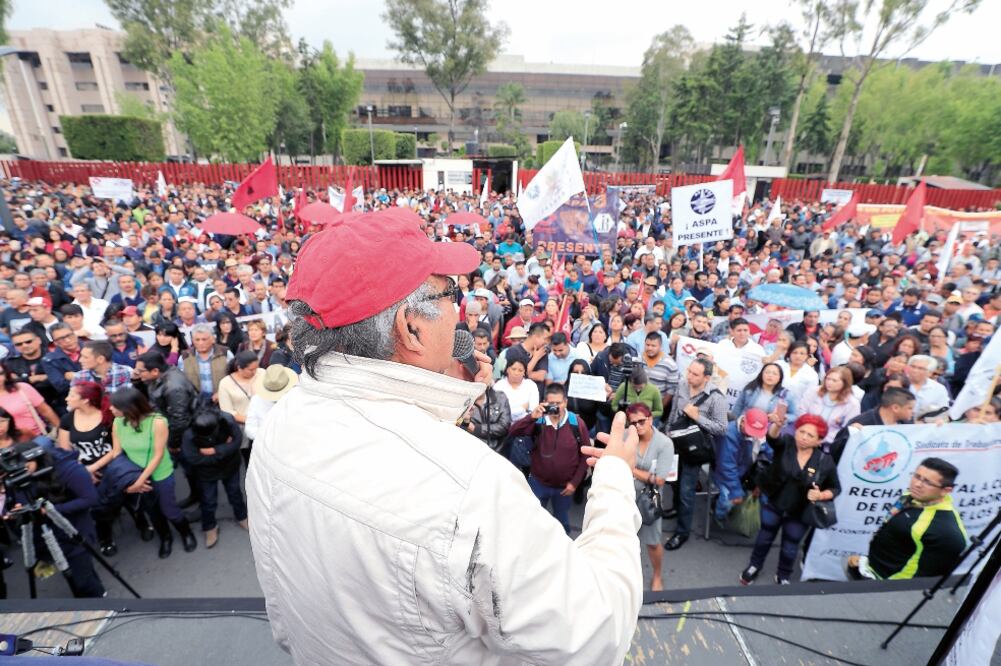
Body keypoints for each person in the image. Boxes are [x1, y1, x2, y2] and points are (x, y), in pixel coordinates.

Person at [246, 208, 642, 664]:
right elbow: (595, 634)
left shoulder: (279, 425)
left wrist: (442, 399)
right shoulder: (471, 487)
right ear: (411, 329)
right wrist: (614, 479)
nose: (460, 310)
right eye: (451, 292)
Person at [740, 414, 840, 585]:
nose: (804, 437)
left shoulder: (825, 461)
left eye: (810, 435)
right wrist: (777, 425)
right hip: (773, 503)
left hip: (800, 511)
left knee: (790, 546)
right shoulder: (786, 443)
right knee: (764, 538)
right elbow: (772, 438)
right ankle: (754, 565)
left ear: (819, 441)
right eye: (801, 432)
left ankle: (783, 574)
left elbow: (835, 488)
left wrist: (821, 495)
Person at [98, 388, 197, 558]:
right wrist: (92, 468)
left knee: (169, 509)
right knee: (153, 512)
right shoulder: (118, 422)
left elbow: (158, 455)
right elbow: (116, 452)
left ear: (129, 407)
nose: (110, 409)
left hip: (160, 474)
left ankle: (186, 533)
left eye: (115, 406)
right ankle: (165, 538)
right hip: (135, 474)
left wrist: (139, 482)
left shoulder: (157, 422)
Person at [0, 438, 106, 597]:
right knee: (76, 576)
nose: (21, 471)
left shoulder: (68, 469)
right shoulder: (18, 478)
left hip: (74, 531)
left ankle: (99, 599)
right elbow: (15, 500)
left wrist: (51, 510)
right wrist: (17, 511)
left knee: (83, 580)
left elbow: (90, 499)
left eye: (25, 465)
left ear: (36, 457)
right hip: (47, 537)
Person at [846, 458, 966, 580]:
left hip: (884, 586)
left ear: (946, 490)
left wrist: (878, 586)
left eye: (928, 483)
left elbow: (925, 580)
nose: (917, 484)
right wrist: (866, 562)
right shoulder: (911, 497)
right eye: (917, 476)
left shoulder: (946, 531)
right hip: (868, 569)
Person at [663, 358, 729, 551]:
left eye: (695, 374)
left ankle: (682, 532)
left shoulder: (717, 398)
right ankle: (676, 509)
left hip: (694, 449)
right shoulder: (682, 385)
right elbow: (674, 412)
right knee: (673, 482)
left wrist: (697, 417)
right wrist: (667, 433)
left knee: (686, 491)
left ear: (706, 377)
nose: (689, 376)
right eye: (689, 371)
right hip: (675, 443)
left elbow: (721, 428)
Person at [508, 382, 591, 535]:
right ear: (545, 402)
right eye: (551, 403)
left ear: (565, 402)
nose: (555, 407)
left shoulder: (576, 423)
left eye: (559, 403)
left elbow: (586, 454)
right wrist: (531, 417)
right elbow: (513, 432)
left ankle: (563, 547)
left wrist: (574, 483)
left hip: (564, 487)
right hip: (538, 483)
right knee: (533, 520)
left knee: (561, 523)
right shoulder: (538, 421)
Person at [181, 408, 248, 548]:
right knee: (208, 500)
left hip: (230, 465)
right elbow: (193, 458)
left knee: (235, 493)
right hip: (206, 471)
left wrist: (215, 450)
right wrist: (225, 449)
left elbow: (237, 442)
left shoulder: (228, 420)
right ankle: (210, 527)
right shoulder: (189, 433)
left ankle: (242, 516)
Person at [625, 402, 674, 592]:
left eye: (641, 421)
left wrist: (631, 469)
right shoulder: (626, 436)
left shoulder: (664, 443)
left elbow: (660, 479)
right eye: (633, 423)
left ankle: (657, 575)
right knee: (625, 540)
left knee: (652, 542)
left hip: (649, 500)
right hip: (626, 496)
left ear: (650, 419)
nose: (637, 426)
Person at [713, 408, 770, 525]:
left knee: (766, 496)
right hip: (725, 473)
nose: (753, 435)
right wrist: (735, 491)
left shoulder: (761, 433)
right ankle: (719, 515)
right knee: (728, 499)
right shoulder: (728, 434)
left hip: (747, 470)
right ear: (743, 421)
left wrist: (761, 483)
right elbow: (727, 467)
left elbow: (769, 455)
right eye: (751, 430)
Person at [830, 387, 916, 462]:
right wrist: (849, 436)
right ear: (895, 408)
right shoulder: (862, 422)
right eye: (910, 408)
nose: (913, 412)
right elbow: (835, 451)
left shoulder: (907, 424)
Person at [217, 350, 264, 466]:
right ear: (239, 368)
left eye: (256, 368)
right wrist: (251, 420)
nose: (255, 372)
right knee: (249, 460)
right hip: (242, 429)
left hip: (263, 426)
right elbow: (227, 411)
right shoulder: (225, 383)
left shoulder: (262, 373)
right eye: (251, 370)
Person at [797, 366, 861, 446]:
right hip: (804, 437)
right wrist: (809, 434)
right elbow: (802, 411)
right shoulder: (813, 391)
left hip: (829, 445)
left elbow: (847, 429)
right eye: (828, 379)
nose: (829, 382)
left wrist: (821, 440)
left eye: (834, 380)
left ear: (845, 383)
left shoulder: (853, 404)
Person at [0, 361, 60, 438]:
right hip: (6, 442)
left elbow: (46, 411)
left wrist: (62, 432)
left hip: (38, 438)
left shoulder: (22, 388)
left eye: (1, 374)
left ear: (6, 374)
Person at [245, 363, 299, 443]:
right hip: (265, 445)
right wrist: (270, 439)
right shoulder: (256, 400)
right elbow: (250, 429)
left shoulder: (297, 399)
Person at [181, 324, 231, 404]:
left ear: (213, 339)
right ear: (192, 341)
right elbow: (181, 382)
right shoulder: (185, 357)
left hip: (222, 399)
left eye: (204, 339)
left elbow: (235, 377)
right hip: (197, 403)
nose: (201, 343)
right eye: (197, 340)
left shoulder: (225, 353)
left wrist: (222, 393)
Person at [459, 382, 512, 455]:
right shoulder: (462, 401)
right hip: (471, 450)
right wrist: (465, 423)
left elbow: (504, 426)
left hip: (498, 450)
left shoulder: (500, 397)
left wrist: (476, 428)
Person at [905, 355, 951, 419]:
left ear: (929, 372)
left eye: (920, 368)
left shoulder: (939, 388)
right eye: (913, 366)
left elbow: (943, 413)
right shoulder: (899, 383)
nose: (915, 370)